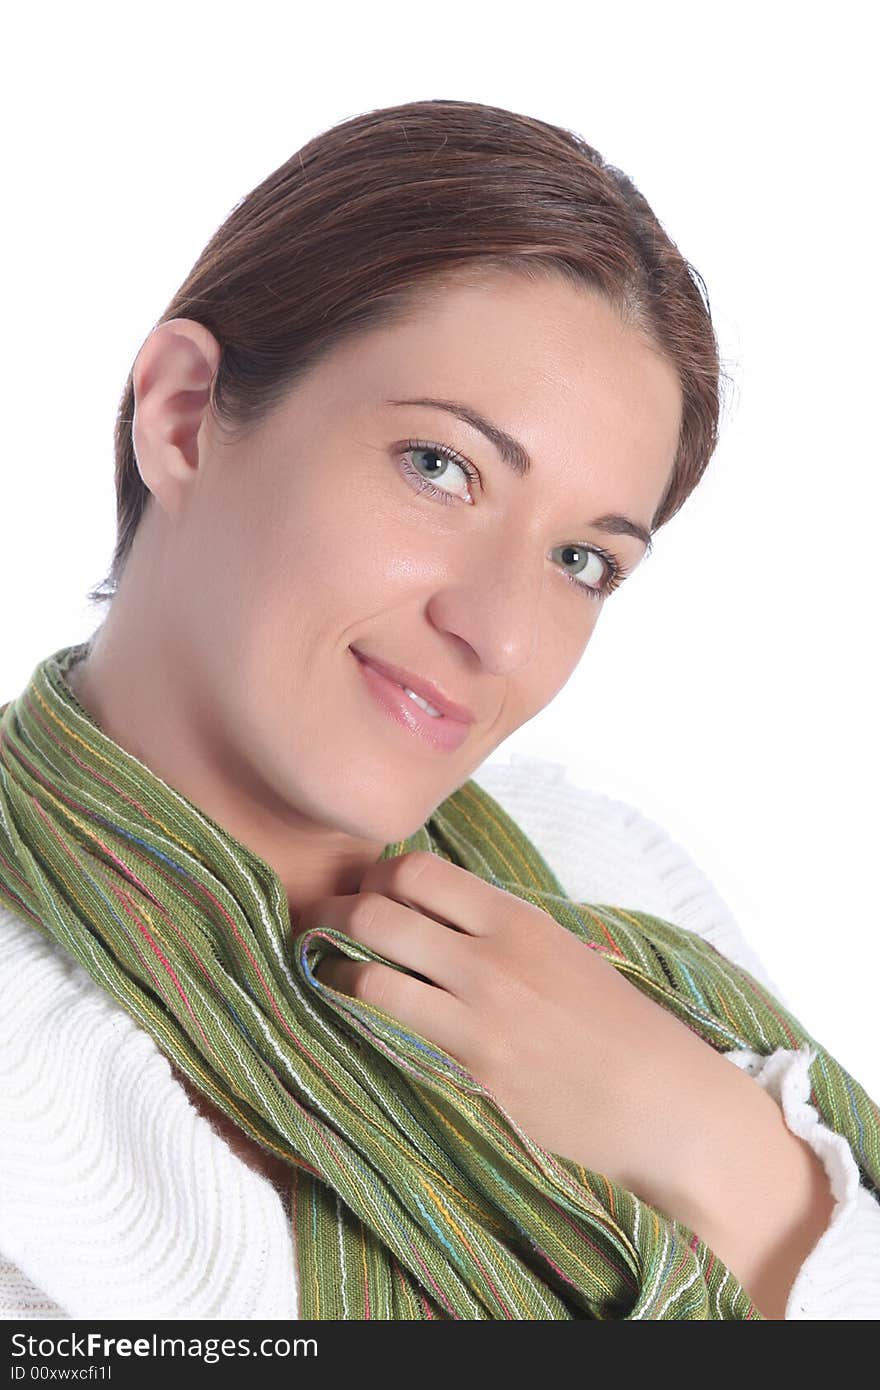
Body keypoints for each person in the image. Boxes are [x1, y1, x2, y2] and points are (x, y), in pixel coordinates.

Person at [1, 98, 878, 1323]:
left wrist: (729, 1162)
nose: (502, 634)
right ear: (184, 415)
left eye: (582, 560)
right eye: (440, 468)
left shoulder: (603, 876)